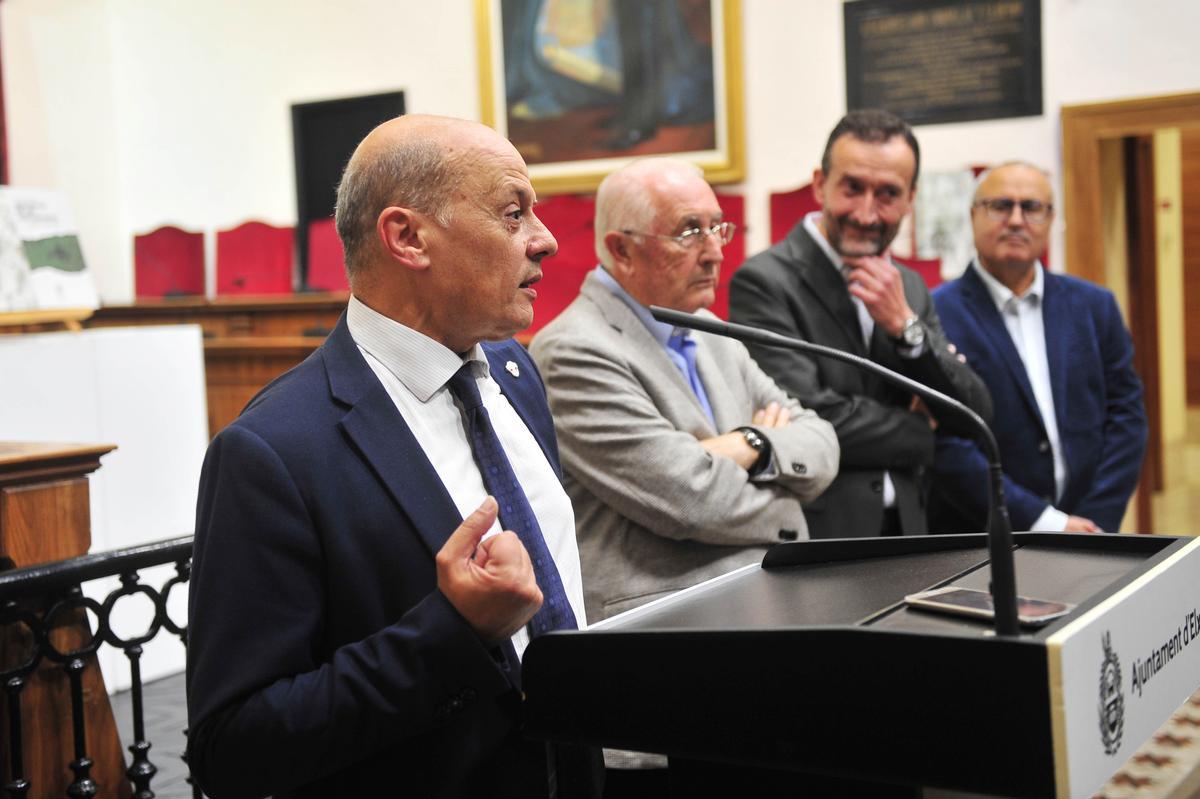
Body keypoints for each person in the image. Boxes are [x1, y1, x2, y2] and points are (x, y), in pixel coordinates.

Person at [186, 115, 598, 799]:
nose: (546, 240)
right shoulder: (273, 451)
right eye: (512, 212)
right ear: (407, 237)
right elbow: (233, 746)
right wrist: (450, 632)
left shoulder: (515, 375)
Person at [529, 157, 839, 628]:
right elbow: (691, 500)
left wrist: (749, 444)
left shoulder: (710, 330)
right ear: (623, 249)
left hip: (757, 597)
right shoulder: (573, 348)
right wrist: (782, 486)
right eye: (690, 231)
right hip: (662, 622)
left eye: (718, 227)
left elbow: (820, 441)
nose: (715, 252)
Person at [729, 109, 991, 539]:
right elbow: (809, 418)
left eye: (888, 194)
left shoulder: (907, 284)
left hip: (909, 524)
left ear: (911, 198)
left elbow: (974, 412)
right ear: (820, 184)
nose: (867, 214)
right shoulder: (765, 280)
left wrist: (906, 327)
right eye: (853, 189)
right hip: (820, 531)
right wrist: (923, 430)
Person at [929, 162, 1147, 533]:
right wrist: (1047, 523)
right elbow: (945, 443)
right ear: (973, 215)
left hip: (1091, 533)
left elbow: (1127, 417)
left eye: (1031, 208)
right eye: (1000, 205)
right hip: (982, 538)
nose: (1016, 220)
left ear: (1051, 220)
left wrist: (1094, 521)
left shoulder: (1095, 306)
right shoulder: (935, 313)